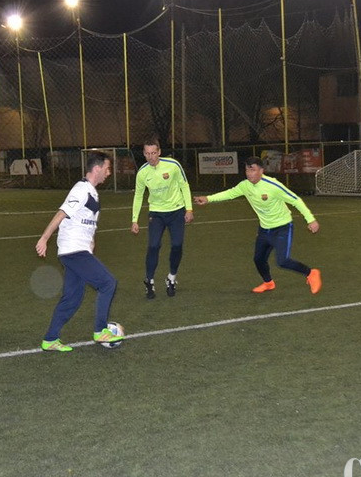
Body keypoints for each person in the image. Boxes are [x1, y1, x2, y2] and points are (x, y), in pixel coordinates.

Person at [193, 156, 322, 294]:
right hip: (264, 229)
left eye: (252, 170)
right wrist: (208, 199)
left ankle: (311, 273)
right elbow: (229, 193)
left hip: (282, 228)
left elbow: (296, 200)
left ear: (261, 171)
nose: (249, 173)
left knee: (283, 261)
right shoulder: (245, 185)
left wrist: (311, 219)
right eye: (247, 170)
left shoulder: (273, 185)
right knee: (258, 259)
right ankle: (268, 283)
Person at [35, 151, 123, 352]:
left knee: (72, 298)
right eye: (107, 168)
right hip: (73, 250)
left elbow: (87, 222)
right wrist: (45, 238)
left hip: (77, 250)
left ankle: (50, 339)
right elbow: (62, 213)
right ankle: (100, 331)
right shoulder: (81, 189)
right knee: (108, 283)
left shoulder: (92, 192)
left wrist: (91, 242)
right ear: (97, 168)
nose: (109, 173)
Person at [131, 135, 194, 299]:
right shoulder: (142, 173)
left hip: (176, 211)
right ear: (143, 154)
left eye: (153, 153)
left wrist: (189, 209)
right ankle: (149, 280)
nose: (150, 157)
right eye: (147, 153)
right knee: (153, 246)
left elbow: (184, 185)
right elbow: (138, 196)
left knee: (177, 245)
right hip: (156, 213)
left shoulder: (173, 165)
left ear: (159, 152)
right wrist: (134, 220)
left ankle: (171, 278)